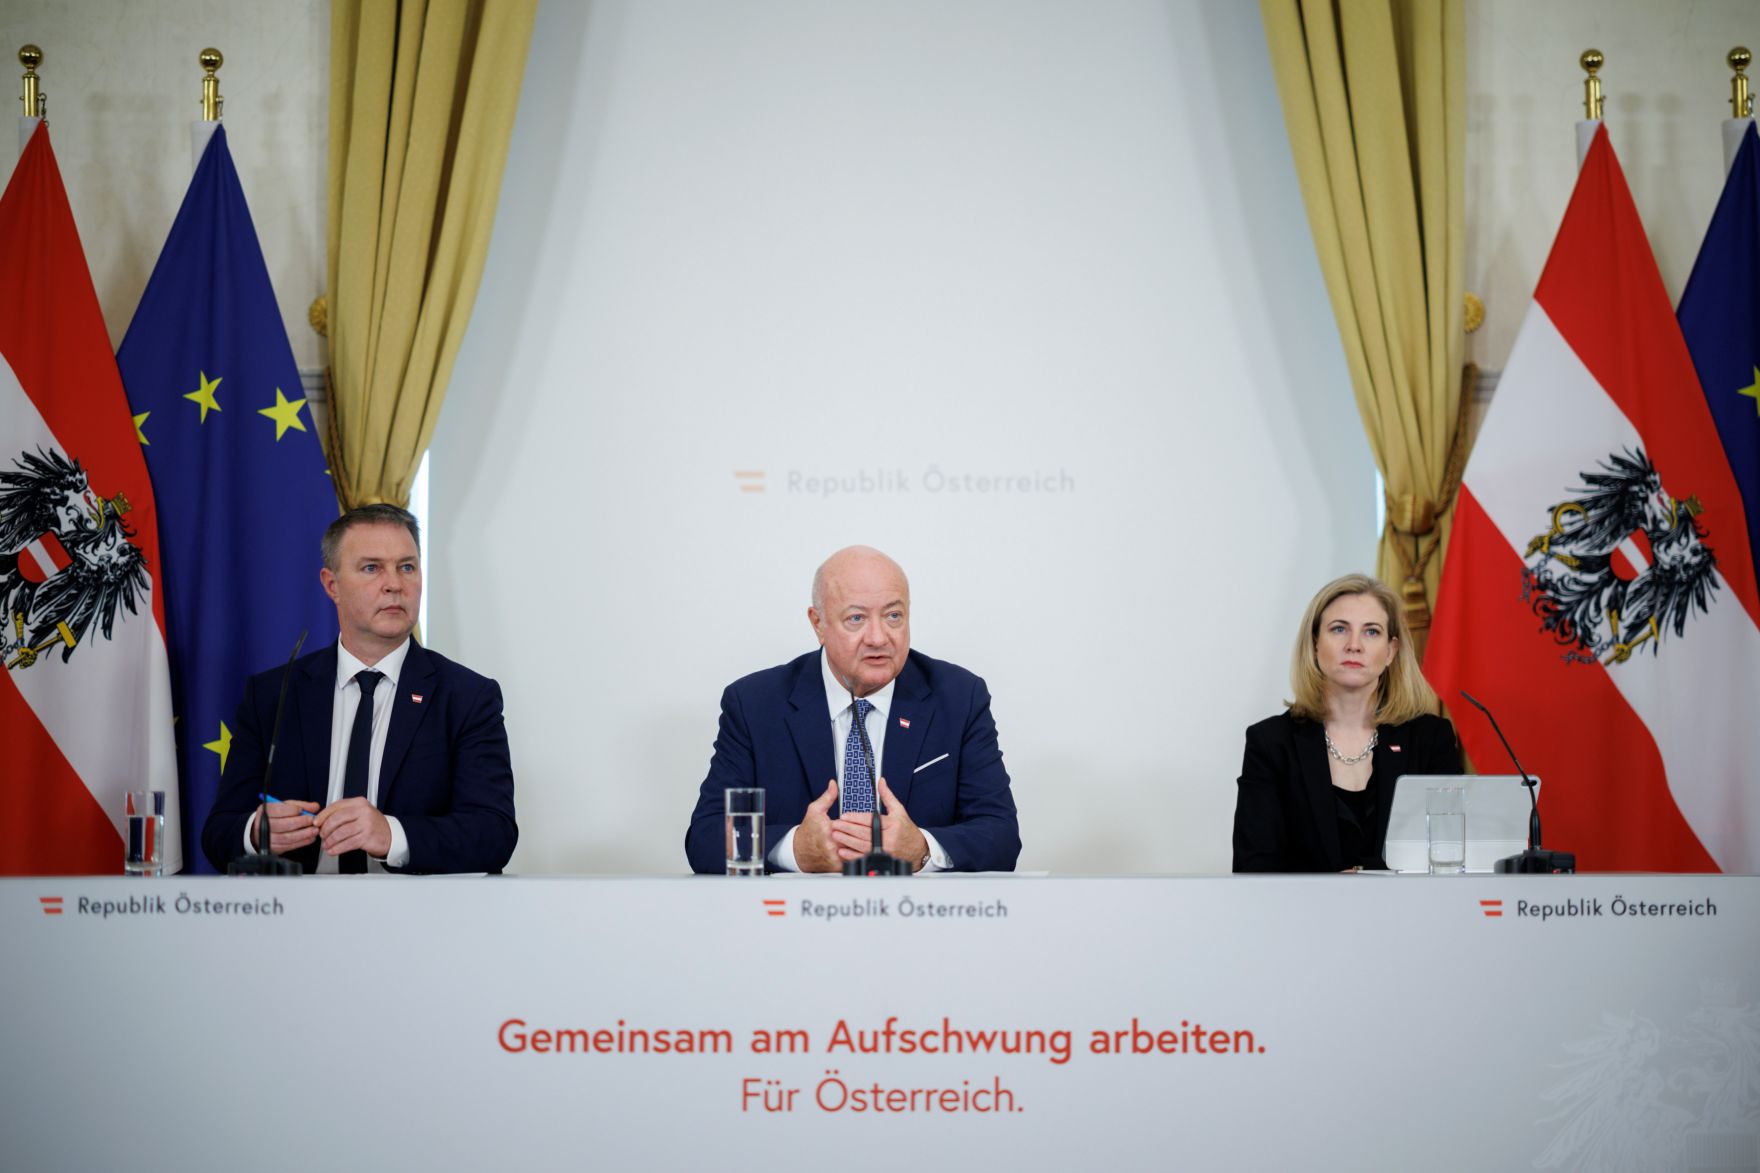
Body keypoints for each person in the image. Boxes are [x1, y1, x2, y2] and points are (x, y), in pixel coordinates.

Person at [201, 504, 517, 874]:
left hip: (415, 921)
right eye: (372, 568)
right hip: (296, 918)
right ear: (332, 585)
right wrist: (256, 832)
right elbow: (218, 833)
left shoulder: (466, 697)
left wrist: (392, 835)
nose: (395, 584)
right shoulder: (274, 694)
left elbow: (494, 834)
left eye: (407, 567)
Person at [685, 545, 1020, 874]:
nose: (878, 637)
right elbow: (706, 838)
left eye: (893, 616)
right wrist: (794, 850)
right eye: (856, 618)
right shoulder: (755, 704)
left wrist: (921, 848)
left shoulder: (959, 698)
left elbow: (1001, 836)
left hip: (919, 918)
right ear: (818, 623)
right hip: (795, 922)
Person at [1232, 573, 1460, 872]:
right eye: (1339, 629)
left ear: (1391, 651)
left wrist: (1369, 882)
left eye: (1371, 632)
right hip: (1301, 916)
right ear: (1315, 644)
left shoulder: (1430, 739)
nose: (1354, 645)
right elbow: (1253, 869)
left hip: (1408, 915)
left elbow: (1453, 854)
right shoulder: (1271, 743)